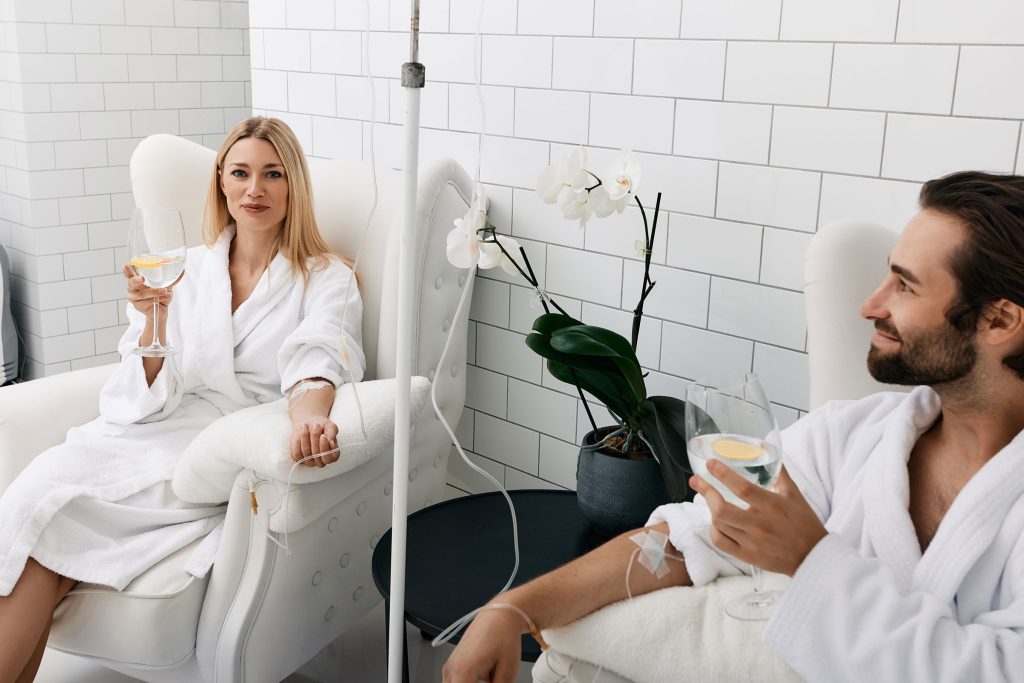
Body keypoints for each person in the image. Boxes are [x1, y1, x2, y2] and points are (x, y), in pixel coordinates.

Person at [443, 170, 1024, 683]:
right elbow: (688, 538)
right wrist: (514, 610)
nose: (870, 304)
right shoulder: (855, 436)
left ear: (999, 320)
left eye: (905, 284)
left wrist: (811, 561)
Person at [0, 116, 364, 682]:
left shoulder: (325, 278)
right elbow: (136, 390)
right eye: (240, 173)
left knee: (51, 530)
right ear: (221, 181)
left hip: (207, 449)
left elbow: (319, 361)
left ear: (294, 185)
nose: (255, 190)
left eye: (272, 174)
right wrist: (153, 320)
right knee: (31, 510)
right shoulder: (187, 268)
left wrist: (310, 421)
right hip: (135, 434)